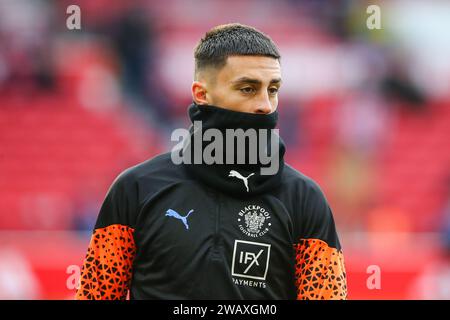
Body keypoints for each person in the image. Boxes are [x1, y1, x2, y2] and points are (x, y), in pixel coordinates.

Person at [75, 23, 347, 300]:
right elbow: (96, 295)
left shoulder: (305, 199)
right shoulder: (135, 189)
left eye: (273, 90)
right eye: (248, 89)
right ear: (202, 94)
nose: (266, 104)